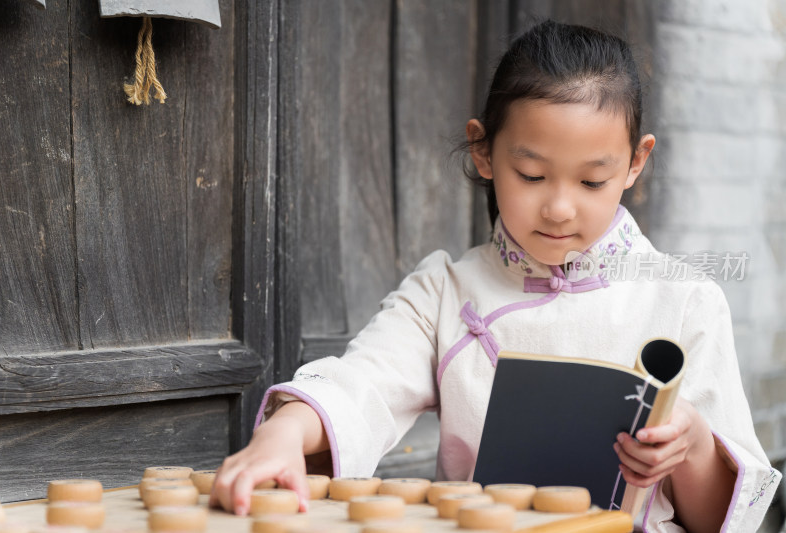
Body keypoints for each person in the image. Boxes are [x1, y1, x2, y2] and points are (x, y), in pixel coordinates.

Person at [210, 20, 781, 532]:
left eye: (590, 182)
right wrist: (285, 433)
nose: (559, 208)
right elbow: (365, 385)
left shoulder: (684, 301)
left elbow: (717, 519)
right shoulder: (445, 292)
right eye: (531, 174)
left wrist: (693, 446)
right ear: (484, 152)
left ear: (635, 162)